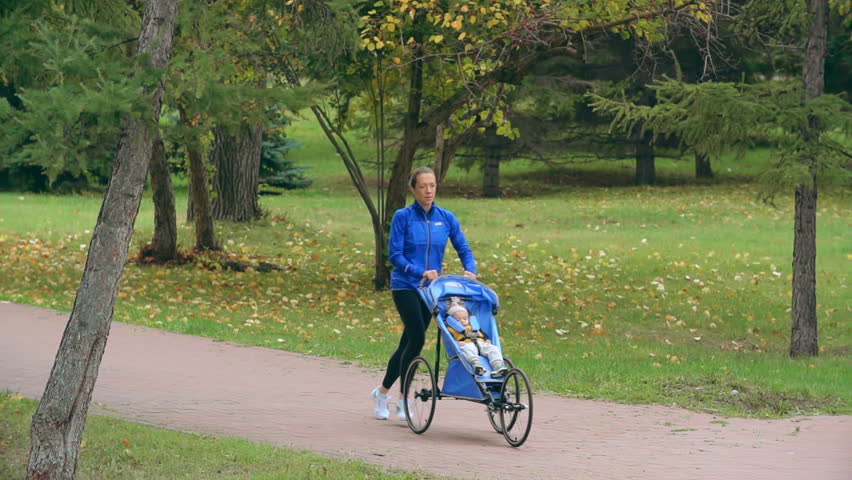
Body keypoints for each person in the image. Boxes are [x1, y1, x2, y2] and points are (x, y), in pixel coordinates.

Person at [371, 167, 478, 420]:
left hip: (431, 291)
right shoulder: (403, 217)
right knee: (417, 338)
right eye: (422, 186)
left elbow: (463, 247)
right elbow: (395, 255)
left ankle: (381, 393)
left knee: (407, 343)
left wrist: (470, 270)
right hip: (405, 286)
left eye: (432, 186)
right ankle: (403, 400)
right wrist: (420, 271)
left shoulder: (446, 217)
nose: (428, 191)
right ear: (413, 189)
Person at [445, 301, 508, 378]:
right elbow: (449, 339)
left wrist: (487, 340)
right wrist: (456, 342)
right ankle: (477, 365)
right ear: (452, 321)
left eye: (465, 318)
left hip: (481, 344)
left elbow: (483, 335)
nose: (462, 321)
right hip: (467, 344)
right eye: (458, 320)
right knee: (467, 350)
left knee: (494, 349)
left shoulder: (475, 326)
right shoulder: (451, 329)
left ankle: (498, 366)